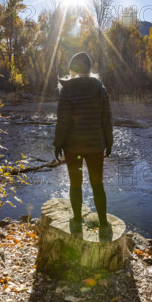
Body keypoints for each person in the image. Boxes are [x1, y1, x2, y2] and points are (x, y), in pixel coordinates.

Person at [53, 51, 113, 239]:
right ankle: (103, 225)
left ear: (72, 70)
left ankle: (77, 223)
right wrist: (108, 142)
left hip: (73, 148)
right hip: (96, 147)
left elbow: (62, 121)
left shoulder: (66, 90)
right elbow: (107, 119)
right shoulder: (100, 88)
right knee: (97, 185)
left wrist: (58, 144)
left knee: (75, 185)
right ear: (89, 69)